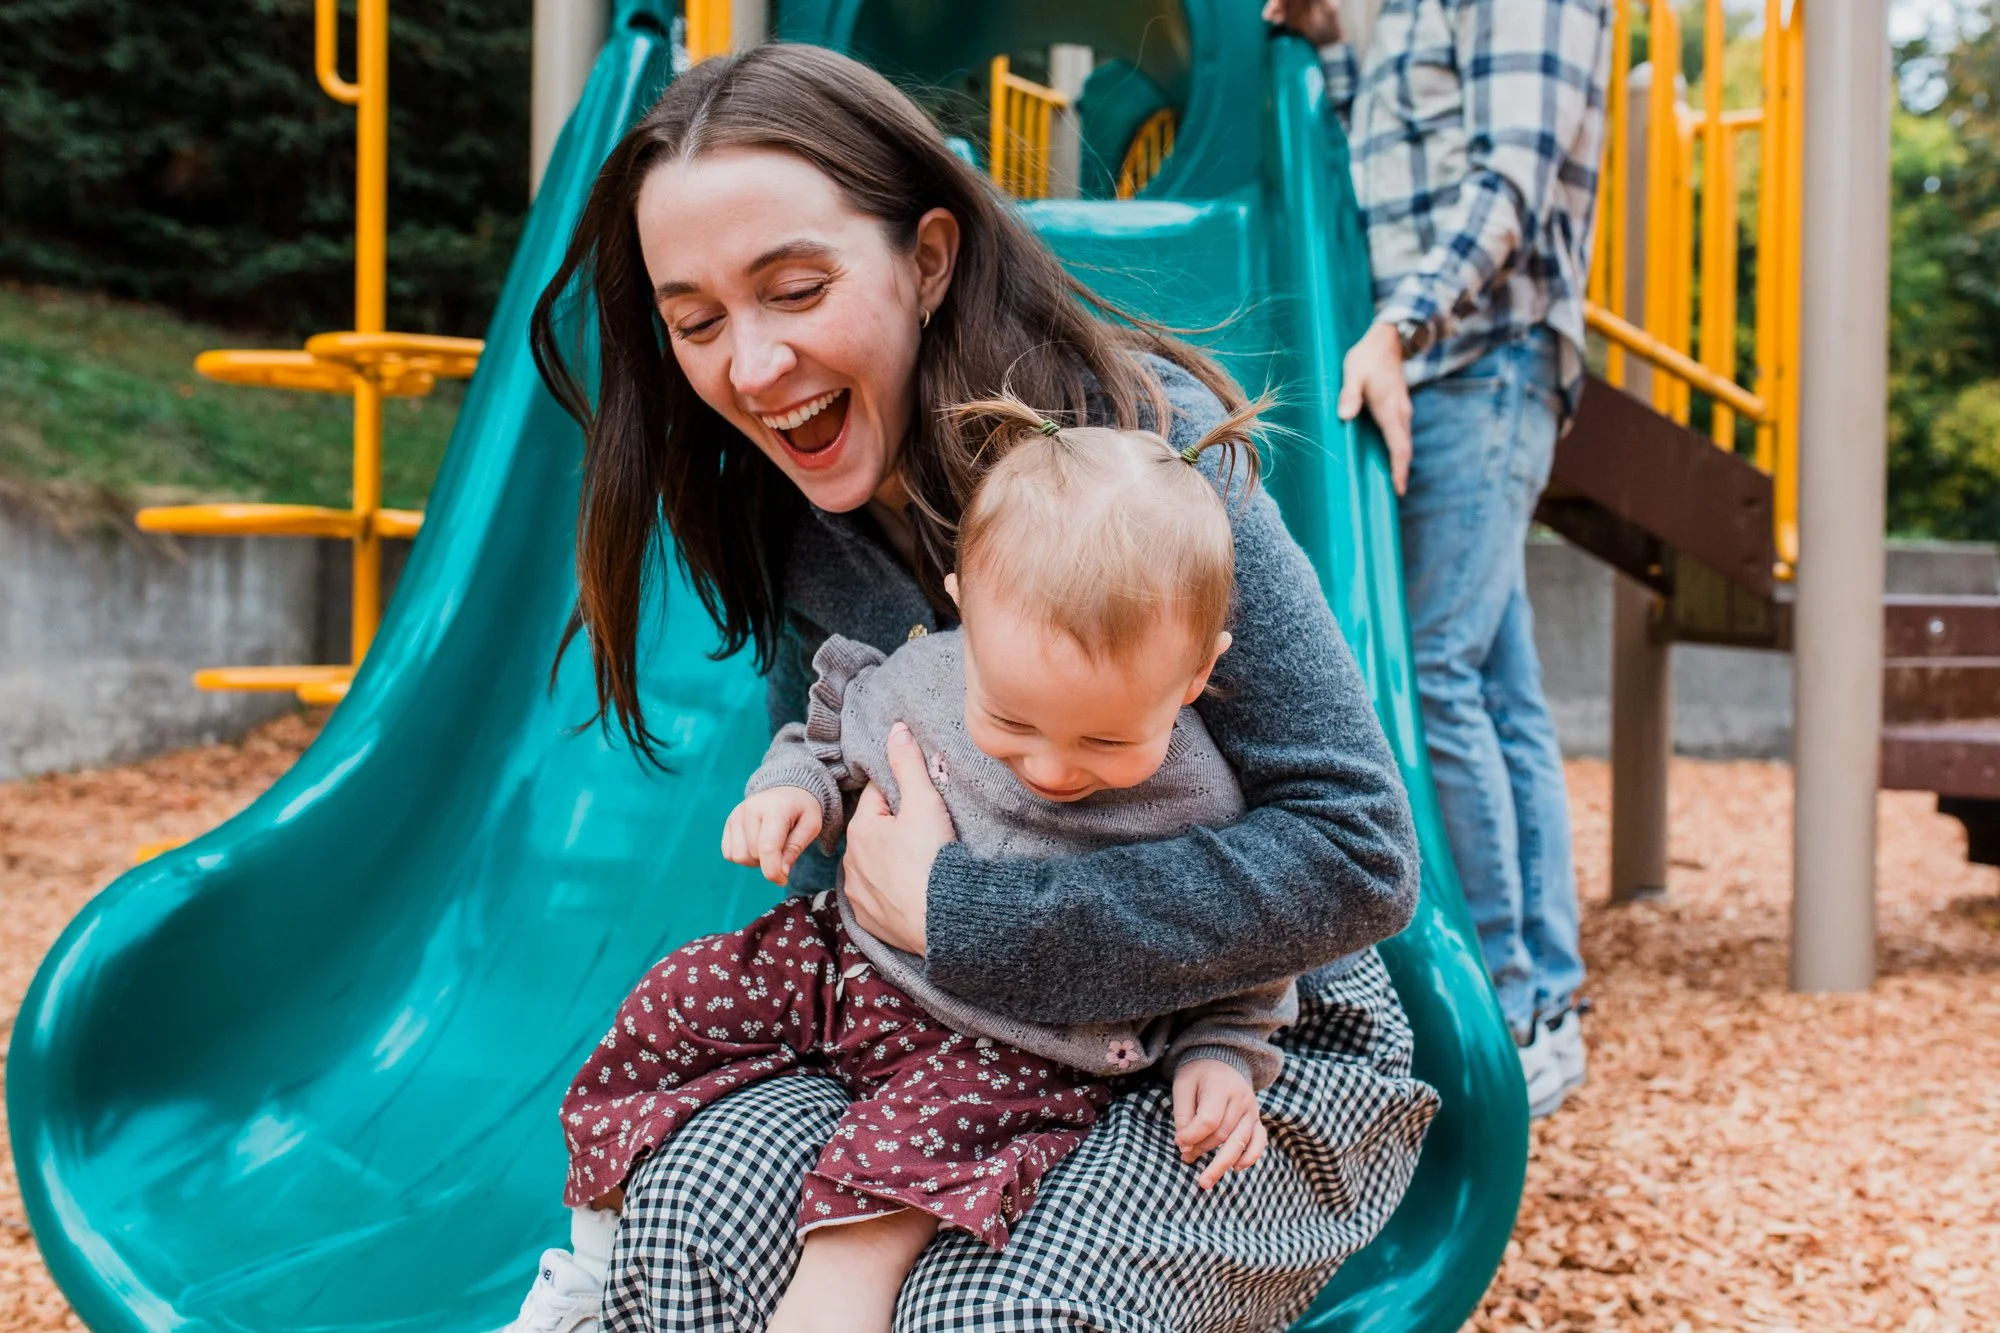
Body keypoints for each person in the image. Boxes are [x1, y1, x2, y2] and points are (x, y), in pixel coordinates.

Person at [521, 43, 1437, 1333]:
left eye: (795, 288)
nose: (754, 364)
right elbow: (852, 794)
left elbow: (1355, 855)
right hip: (944, 1024)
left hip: (1229, 1032)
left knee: (980, 1313)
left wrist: (972, 912)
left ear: (928, 260)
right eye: (697, 321)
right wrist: (816, 819)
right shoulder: (803, 524)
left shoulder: (1138, 467)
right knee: (690, 1207)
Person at [505, 396, 1300, 1333]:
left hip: (1021, 1038)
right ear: (965, 605)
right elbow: (833, 737)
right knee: (682, 996)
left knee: (905, 1164)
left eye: (1105, 739)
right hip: (850, 960)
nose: (1050, 768)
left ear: (1196, 674)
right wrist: (796, 788)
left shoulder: (1197, 796)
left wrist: (1222, 1053)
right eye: (1009, 723)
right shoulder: (927, 674)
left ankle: (839, 1300)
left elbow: (1239, 945)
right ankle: (593, 1262)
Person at [1264, 0, 1610, 1116]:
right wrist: (1325, 36)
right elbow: (1388, 154)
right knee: (1499, 690)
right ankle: (1545, 995)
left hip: (1481, 358)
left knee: (1439, 673)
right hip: (1439, 359)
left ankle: (1514, 1004)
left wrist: (1396, 326)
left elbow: (1506, 180)